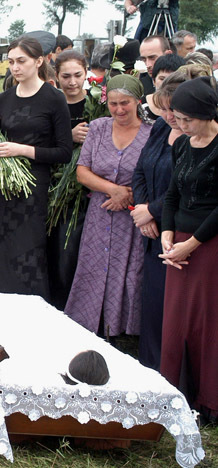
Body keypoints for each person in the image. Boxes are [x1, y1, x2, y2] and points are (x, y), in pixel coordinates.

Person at [0, 37, 72, 300]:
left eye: (21, 61)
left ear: (39, 61)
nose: (15, 67)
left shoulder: (54, 98)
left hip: (32, 185)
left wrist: (21, 150)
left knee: (25, 247)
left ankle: (28, 307)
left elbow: (64, 152)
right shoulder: (5, 98)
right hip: (0, 185)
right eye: (11, 62)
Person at [65, 74, 152, 338]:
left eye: (125, 103)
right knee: (94, 265)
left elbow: (156, 175)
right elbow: (82, 172)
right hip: (101, 212)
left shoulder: (152, 132)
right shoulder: (99, 128)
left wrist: (128, 195)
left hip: (134, 215)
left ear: (137, 101)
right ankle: (88, 323)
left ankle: (124, 329)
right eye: (113, 104)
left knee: (129, 271)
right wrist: (112, 189)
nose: (119, 109)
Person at [159, 76, 218, 424]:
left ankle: (208, 398)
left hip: (208, 243)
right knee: (176, 323)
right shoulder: (181, 144)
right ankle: (175, 394)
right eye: (177, 118)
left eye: (186, 119)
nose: (180, 125)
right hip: (178, 241)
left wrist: (191, 244)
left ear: (207, 114)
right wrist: (167, 233)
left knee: (206, 322)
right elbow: (171, 193)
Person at [131, 71, 186, 370]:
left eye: (173, 110)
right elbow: (140, 169)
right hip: (151, 228)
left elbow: (186, 186)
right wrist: (143, 209)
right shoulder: (161, 127)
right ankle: (150, 367)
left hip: (179, 230)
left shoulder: (196, 138)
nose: (167, 115)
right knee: (152, 305)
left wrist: (152, 210)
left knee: (173, 308)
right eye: (163, 108)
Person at [45, 50, 91, 310]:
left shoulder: (97, 103)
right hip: (55, 186)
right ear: (56, 76)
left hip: (83, 190)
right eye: (66, 76)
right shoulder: (52, 103)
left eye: (78, 75)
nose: (72, 82)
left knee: (73, 251)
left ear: (86, 73)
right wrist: (67, 136)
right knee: (55, 251)